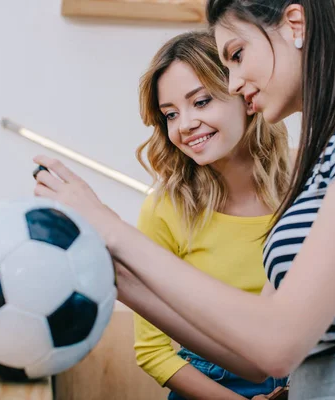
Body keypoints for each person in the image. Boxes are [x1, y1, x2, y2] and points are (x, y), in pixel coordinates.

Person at [32, 1, 335, 398]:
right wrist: (118, 277)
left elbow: (277, 343)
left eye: (236, 54)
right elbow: (253, 358)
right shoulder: (328, 156)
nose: (232, 82)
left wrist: (113, 229)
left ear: (295, 25)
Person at [134, 31, 289, 399]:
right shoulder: (164, 209)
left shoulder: (303, 192)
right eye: (170, 114)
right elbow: (151, 351)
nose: (184, 124)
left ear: (246, 96)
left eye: (201, 102)